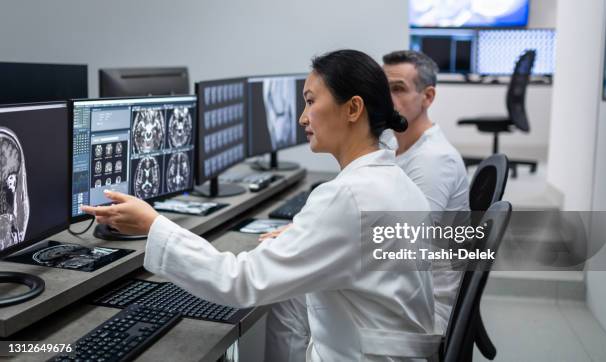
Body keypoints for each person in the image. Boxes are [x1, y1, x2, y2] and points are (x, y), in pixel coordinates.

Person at [82, 49, 439, 361]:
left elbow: (239, 282)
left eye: (311, 101)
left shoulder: (347, 197)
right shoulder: (396, 182)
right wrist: (310, 235)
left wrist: (153, 225)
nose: (302, 117)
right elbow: (360, 245)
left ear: (353, 108)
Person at [382, 50, 470, 334]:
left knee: (295, 298)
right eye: (383, 90)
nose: (387, 99)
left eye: (398, 89)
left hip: (424, 306)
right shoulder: (397, 148)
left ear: (428, 97)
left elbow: (407, 248)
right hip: (406, 287)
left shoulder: (432, 160)